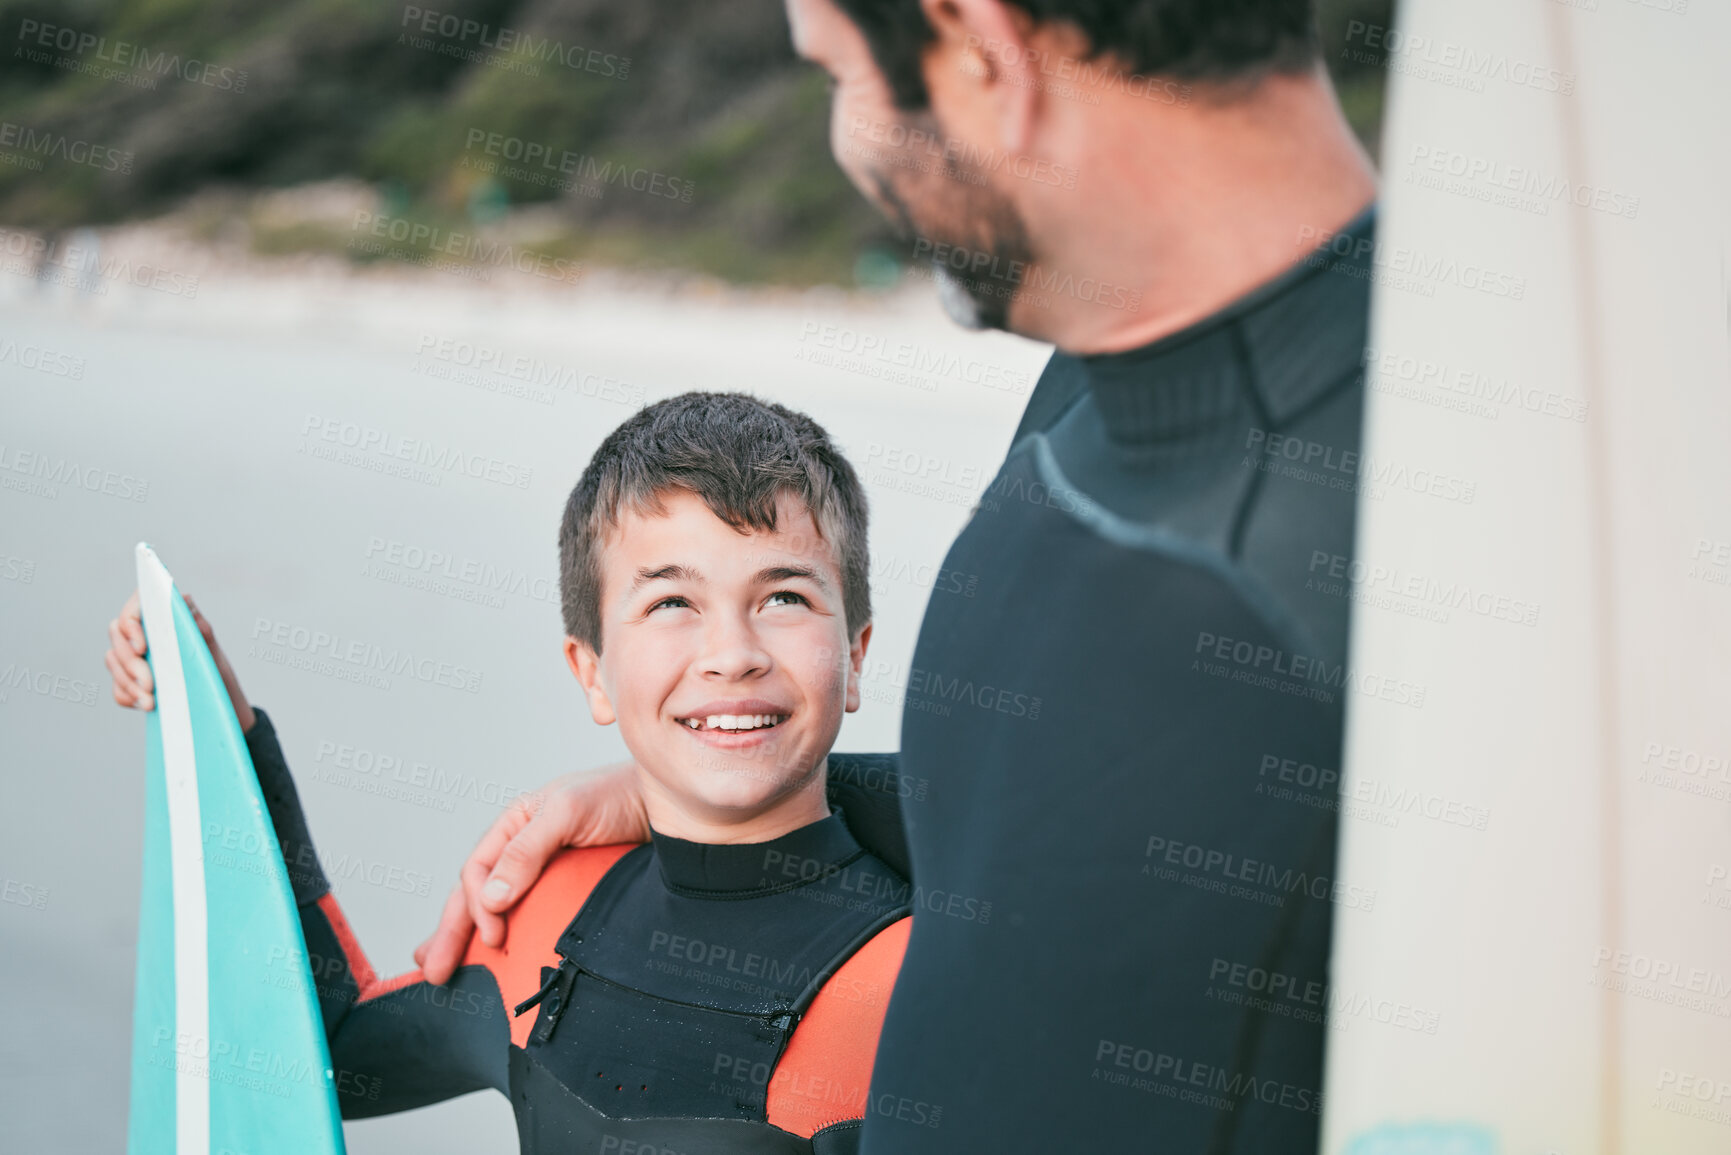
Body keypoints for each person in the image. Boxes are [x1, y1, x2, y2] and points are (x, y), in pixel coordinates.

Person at [414, 1, 1380, 1151]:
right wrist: (709, 791)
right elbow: (1106, 805)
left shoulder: (1296, 542)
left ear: (982, 44)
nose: (849, 148)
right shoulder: (1129, 387)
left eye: (838, 78)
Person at [107, 393, 917, 1153]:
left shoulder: (932, 966)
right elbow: (327, 1046)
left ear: (853, 656)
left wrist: (654, 784)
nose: (732, 654)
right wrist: (228, 729)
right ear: (590, 670)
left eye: (782, 597)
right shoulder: (546, 910)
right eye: (671, 602)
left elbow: (1028, 826)